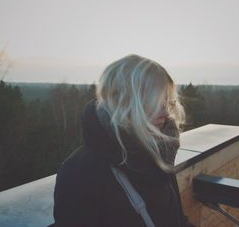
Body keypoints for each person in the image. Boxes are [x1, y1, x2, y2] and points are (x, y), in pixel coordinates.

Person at [53, 54, 194, 227]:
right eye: (155, 102)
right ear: (125, 103)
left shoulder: (161, 152)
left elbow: (175, 219)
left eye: (166, 102)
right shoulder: (79, 173)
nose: (165, 113)